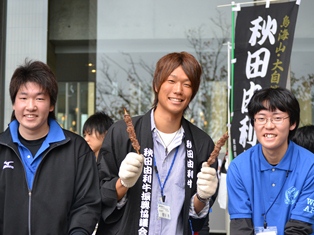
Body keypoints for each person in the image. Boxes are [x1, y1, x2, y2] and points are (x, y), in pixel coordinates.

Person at [97, 51, 219, 235]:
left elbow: (197, 218)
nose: (178, 90)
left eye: (187, 84)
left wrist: (202, 196)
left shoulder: (202, 144)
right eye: (171, 81)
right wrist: (123, 182)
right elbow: (99, 193)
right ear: (156, 84)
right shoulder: (122, 133)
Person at [0, 60, 101, 234]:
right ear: (14, 103)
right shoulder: (2, 148)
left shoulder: (77, 150)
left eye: (39, 98)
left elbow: (87, 205)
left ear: (51, 105)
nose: (30, 106)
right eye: (23, 98)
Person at [227, 87, 314, 235]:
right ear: (254, 123)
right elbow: (241, 227)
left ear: (292, 123)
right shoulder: (239, 168)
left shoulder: (310, 165)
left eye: (277, 118)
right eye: (261, 118)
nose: (268, 126)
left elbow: (300, 228)